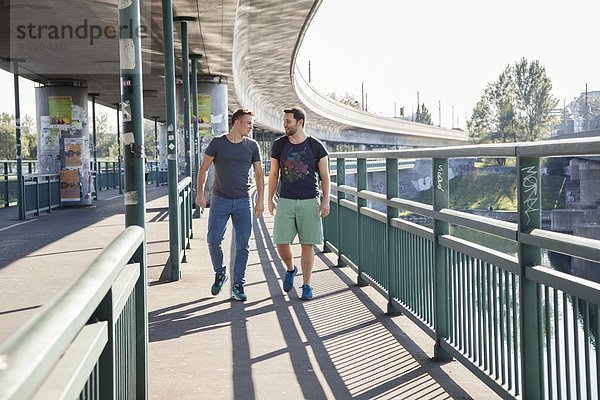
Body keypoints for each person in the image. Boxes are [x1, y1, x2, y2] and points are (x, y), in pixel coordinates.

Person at [195, 108, 264, 301]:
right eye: (248, 123)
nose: (251, 127)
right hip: (220, 199)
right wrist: (200, 194)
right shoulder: (218, 143)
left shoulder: (252, 146)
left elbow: (259, 174)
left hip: (243, 200)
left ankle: (238, 284)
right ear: (237, 123)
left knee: (243, 245)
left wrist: (259, 201)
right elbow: (204, 169)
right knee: (214, 240)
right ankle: (220, 272)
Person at [268, 107, 330, 300]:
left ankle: (306, 285)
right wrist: (269, 198)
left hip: (310, 200)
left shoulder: (316, 146)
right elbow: (273, 174)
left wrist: (325, 200)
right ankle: (290, 268)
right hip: (285, 200)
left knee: (307, 245)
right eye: (284, 121)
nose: (284, 124)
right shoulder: (279, 145)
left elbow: (325, 177)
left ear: (300, 122)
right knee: (280, 241)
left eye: (288, 121)